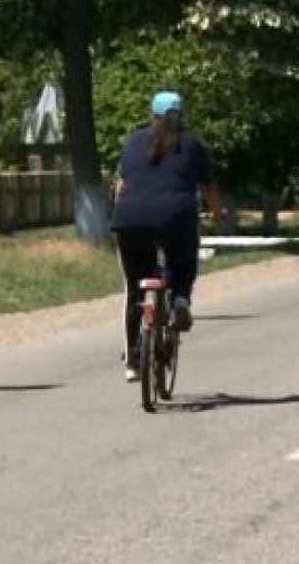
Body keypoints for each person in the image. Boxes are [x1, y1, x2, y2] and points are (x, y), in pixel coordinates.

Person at [110, 91, 223, 383]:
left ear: (152, 114)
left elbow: (120, 186)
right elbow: (208, 187)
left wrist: (123, 211)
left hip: (129, 220)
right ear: (180, 115)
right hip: (176, 218)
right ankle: (181, 299)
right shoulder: (192, 144)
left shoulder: (133, 141)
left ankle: (132, 361)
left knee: (135, 289)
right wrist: (216, 212)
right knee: (183, 261)